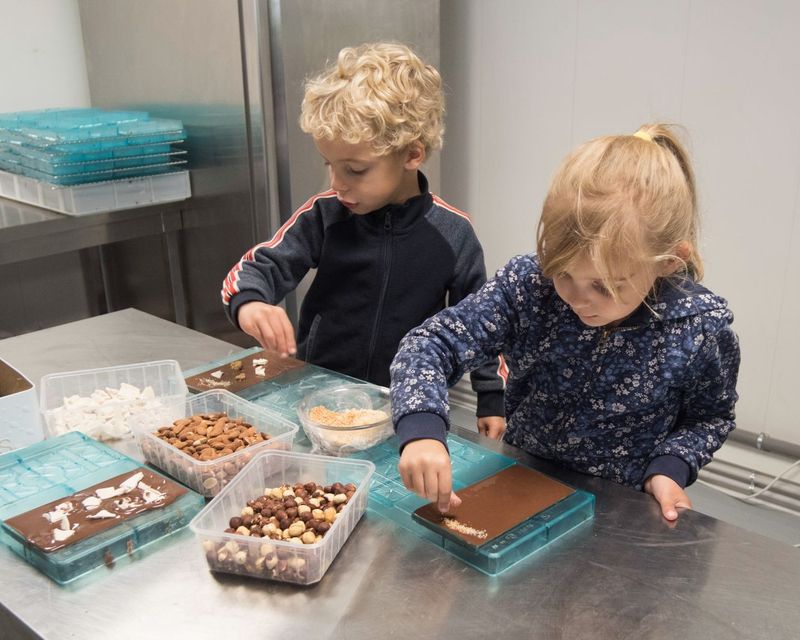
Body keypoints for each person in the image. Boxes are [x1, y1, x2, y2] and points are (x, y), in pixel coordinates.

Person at [391, 124, 740, 521]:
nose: (576, 298)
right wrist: (421, 427)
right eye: (563, 273)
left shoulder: (698, 331)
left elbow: (710, 417)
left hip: (619, 507)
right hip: (521, 480)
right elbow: (430, 345)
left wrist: (670, 469)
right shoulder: (529, 286)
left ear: (668, 263)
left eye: (606, 287)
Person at [221, 42, 506, 434]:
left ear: (412, 154)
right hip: (321, 397)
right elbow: (259, 267)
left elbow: (482, 325)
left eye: (355, 169)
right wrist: (251, 304)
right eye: (330, 166)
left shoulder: (454, 234)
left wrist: (492, 397)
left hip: (410, 409)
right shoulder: (325, 214)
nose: (336, 184)